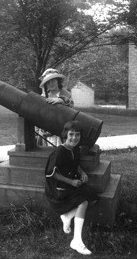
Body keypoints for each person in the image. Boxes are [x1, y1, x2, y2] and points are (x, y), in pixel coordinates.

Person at [44, 121, 99, 256]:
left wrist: (82, 172)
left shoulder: (75, 149)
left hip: (70, 184)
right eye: (71, 134)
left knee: (93, 196)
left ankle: (67, 216)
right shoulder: (58, 152)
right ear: (65, 135)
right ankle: (76, 241)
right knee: (83, 202)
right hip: (58, 189)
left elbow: (75, 164)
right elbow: (51, 173)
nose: (74, 138)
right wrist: (71, 181)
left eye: (77, 135)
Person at [37, 68, 73, 146]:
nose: (51, 84)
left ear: (58, 81)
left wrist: (62, 100)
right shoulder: (43, 96)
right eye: (48, 82)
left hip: (61, 133)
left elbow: (71, 108)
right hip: (46, 133)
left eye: (53, 80)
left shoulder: (66, 94)